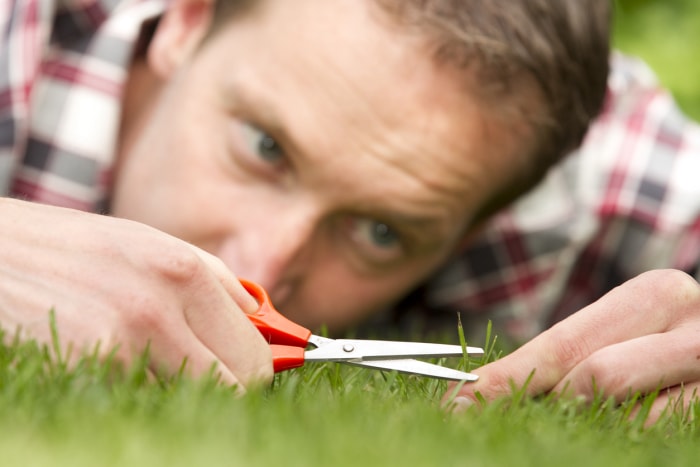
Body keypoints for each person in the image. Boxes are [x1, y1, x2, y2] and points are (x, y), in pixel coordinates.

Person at [1, 0, 698, 419]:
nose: (259, 265)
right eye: (265, 146)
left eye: (380, 231)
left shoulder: (558, 174)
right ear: (189, 17)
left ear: (482, 226)